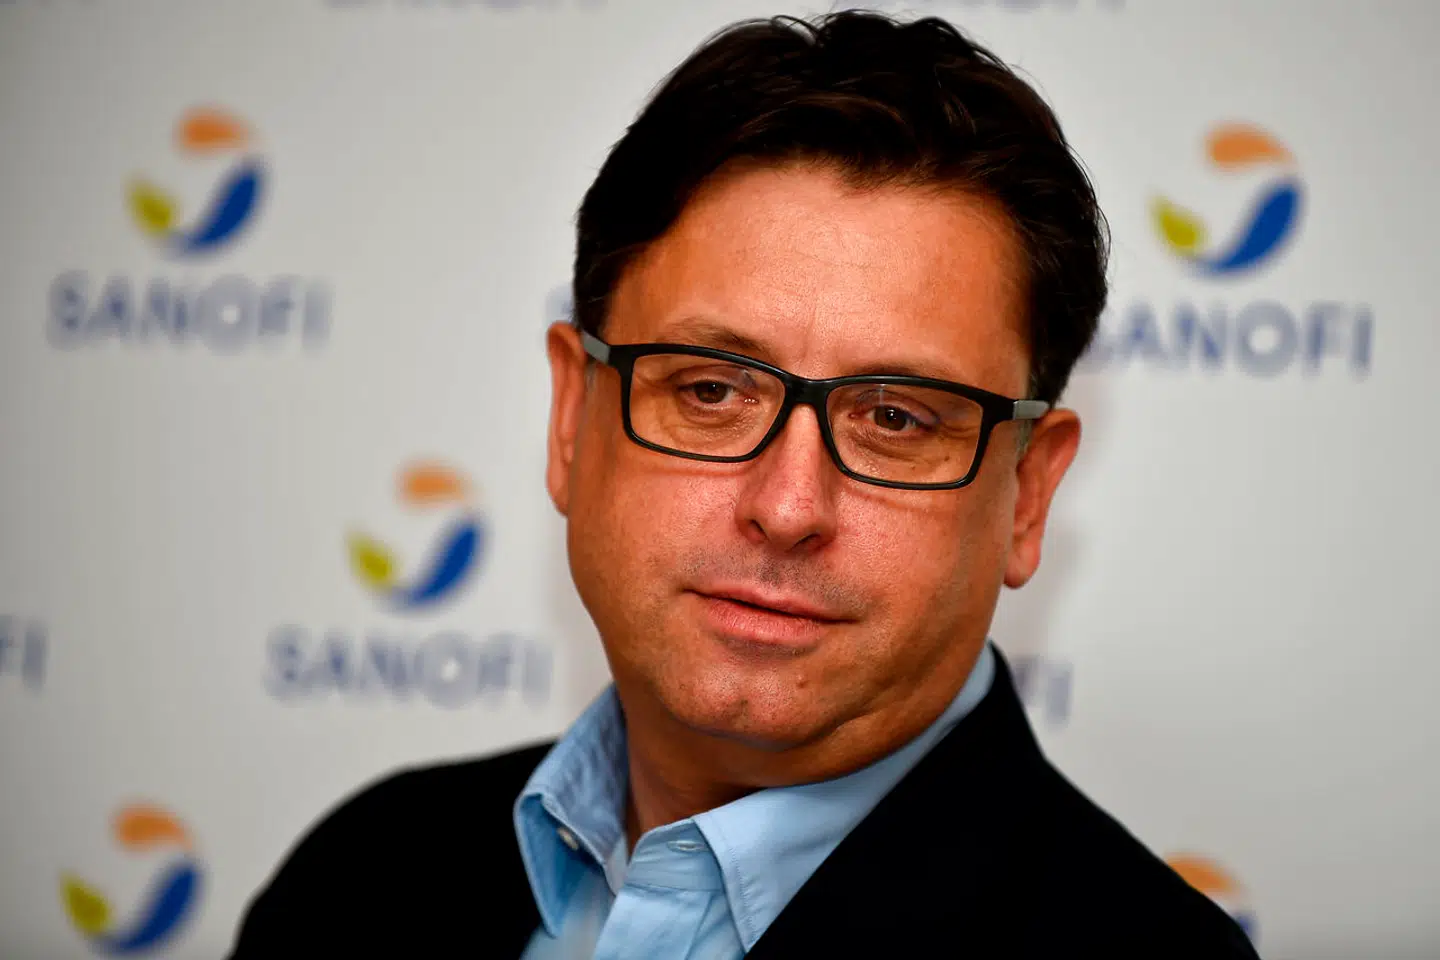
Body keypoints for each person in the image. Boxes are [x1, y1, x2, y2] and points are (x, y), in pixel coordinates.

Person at [230, 11, 1259, 958]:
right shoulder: (359, 880)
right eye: (712, 390)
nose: (788, 507)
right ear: (572, 419)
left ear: (1027, 495)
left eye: (896, 418)